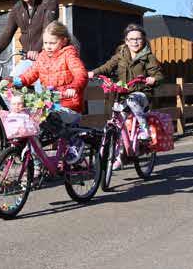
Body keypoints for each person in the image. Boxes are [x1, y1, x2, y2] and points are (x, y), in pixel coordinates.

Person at [88, 24, 164, 169]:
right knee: (118, 123)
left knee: (132, 100)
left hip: (142, 93)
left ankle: (144, 129)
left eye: (138, 39)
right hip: (123, 93)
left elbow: (159, 74)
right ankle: (119, 155)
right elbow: (107, 66)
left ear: (144, 40)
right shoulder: (121, 55)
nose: (135, 42)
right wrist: (93, 73)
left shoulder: (148, 57)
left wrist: (154, 79)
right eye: (132, 39)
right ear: (126, 41)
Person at [12, 21, 88, 164]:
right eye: (46, 43)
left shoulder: (69, 55)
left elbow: (81, 74)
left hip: (69, 106)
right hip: (50, 104)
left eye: (52, 43)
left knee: (50, 119)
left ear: (63, 41)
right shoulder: (42, 57)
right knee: (33, 126)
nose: (48, 46)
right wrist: (17, 81)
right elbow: (32, 74)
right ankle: (37, 163)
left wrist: (74, 87)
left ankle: (76, 142)